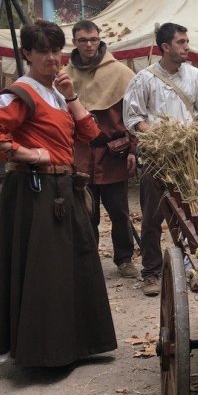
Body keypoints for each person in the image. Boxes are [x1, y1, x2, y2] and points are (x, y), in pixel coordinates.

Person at [0, 20, 117, 366]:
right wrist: (27, 154)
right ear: (27, 54)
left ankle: (74, 347)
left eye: (56, 50)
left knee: (72, 265)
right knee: (45, 271)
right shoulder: (21, 93)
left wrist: (70, 96)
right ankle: (44, 354)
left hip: (63, 188)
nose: (52, 58)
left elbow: (90, 132)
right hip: (34, 192)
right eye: (43, 52)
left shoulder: (55, 92)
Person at [124, 23, 198, 296]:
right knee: (153, 215)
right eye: (181, 42)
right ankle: (151, 273)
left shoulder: (197, 78)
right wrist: (161, 136)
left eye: (187, 41)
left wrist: (190, 137)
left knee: (192, 214)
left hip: (189, 160)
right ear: (165, 47)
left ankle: (194, 268)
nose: (187, 46)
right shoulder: (144, 79)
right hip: (156, 158)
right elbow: (133, 119)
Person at [63, 20, 139, 279]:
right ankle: (88, 260)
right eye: (83, 40)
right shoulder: (65, 75)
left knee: (119, 211)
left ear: (99, 39)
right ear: (75, 42)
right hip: (81, 155)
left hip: (112, 154)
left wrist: (133, 150)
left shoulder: (120, 73)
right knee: (86, 212)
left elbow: (133, 116)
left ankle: (125, 259)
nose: (89, 44)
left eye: (93, 39)